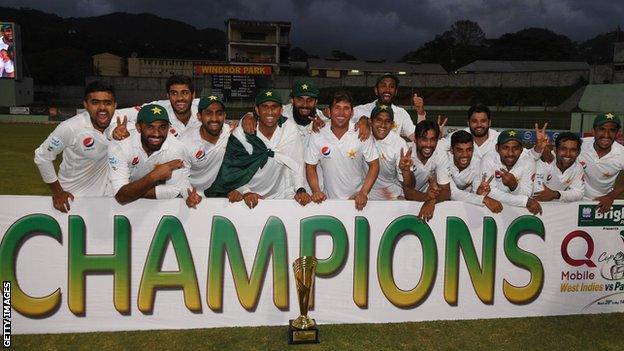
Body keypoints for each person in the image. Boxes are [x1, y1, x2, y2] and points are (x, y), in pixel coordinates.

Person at [205, 89, 310, 209]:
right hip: (248, 193)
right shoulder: (242, 133)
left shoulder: (289, 129)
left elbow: (296, 163)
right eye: (264, 107)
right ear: (257, 110)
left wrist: (300, 189)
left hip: (279, 195)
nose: (270, 112)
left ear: (281, 110)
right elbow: (232, 172)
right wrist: (245, 192)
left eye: (274, 107)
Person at [34, 81, 117, 212]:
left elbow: (148, 108)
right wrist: (57, 192)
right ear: (86, 105)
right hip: (73, 200)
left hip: (104, 201)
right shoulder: (70, 128)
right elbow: (42, 156)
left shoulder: (120, 121)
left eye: (107, 103)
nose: (102, 108)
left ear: (114, 105)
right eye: (95, 102)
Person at [305, 91, 380, 210]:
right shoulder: (318, 133)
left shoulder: (361, 131)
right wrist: (316, 191)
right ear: (329, 111)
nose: (341, 113)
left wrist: (363, 192)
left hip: (357, 201)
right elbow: (310, 166)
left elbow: (374, 164)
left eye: (346, 108)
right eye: (337, 108)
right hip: (328, 202)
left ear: (352, 112)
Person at [108, 104, 194, 206]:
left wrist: (132, 192)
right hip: (112, 204)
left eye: (162, 127)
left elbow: (173, 190)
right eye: (150, 127)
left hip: (152, 205)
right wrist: (154, 176)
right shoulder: (120, 146)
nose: (157, 134)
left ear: (169, 127)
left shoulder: (176, 147)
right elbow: (120, 197)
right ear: (138, 127)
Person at [111, 75, 200, 140]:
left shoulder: (205, 109)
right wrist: (113, 132)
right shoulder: (158, 108)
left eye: (184, 93)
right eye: (174, 93)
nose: (180, 98)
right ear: (168, 96)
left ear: (193, 95)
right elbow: (114, 115)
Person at [477, 129, 541, 215]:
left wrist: (514, 186)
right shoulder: (488, 159)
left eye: (515, 148)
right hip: (492, 212)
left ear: (521, 150)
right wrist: (524, 201)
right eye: (505, 147)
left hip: (518, 213)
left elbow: (527, 193)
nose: (510, 153)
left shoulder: (528, 161)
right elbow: (489, 192)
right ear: (497, 148)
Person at [352, 74, 427, 141]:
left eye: (391, 87)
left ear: (396, 91)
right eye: (383, 86)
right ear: (376, 90)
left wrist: (421, 113)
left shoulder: (401, 113)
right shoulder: (360, 110)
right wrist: (362, 120)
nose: (387, 90)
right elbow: (342, 126)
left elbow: (416, 138)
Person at [181, 95, 232, 194]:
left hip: (222, 195)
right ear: (199, 116)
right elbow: (181, 177)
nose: (214, 118)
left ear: (225, 116)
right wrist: (188, 195)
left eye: (219, 113)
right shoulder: (185, 142)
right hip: (194, 195)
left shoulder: (231, 133)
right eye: (208, 113)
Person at [403, 120, 451, 221]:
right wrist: (428, 198)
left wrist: (431, 201)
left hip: (423, 196)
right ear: (415, 139)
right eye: (424, 139)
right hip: (397, 198)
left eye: (433, 140)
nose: (428, 145)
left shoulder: (440, 154)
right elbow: (407, 191)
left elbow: (446, 191)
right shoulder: (405, 152)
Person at [576, 113, 624, 212]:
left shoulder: (621, 153)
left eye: (612, 130)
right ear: (593, 131)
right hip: (572, 198)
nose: (606, 135)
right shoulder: (580, 145)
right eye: (602, 129)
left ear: (618, 133)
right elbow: (555, 156)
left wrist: (611, 196)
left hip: (601, 202)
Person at [448, 130, 502, 212]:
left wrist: (479, 193)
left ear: (473, 149)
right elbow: (452, 192)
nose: (465, 155)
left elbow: (475, 194)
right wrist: (483, 199)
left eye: (469, 150)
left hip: (462, 208)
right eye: (460, 150)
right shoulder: (444, 160)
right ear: (451, 150)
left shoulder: (478, 164)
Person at [369, 104, 415, 200]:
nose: (383, 125)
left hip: (391, 195)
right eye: (378, 120)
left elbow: (410, 186)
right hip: (365, 193)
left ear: (392, 124)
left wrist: (406, 170)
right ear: (370, 121)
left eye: (387, 121)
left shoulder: (399, 144)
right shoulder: (363, 136)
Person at [532, 130, 584, 202]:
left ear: (578, 152)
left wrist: (556, 194)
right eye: (563, 149)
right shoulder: (543, 162)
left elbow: (578, 193)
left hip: (555, 209)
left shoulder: (578, 167)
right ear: (555, 150)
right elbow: (538, 193)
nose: (568, 154)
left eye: (573, 150)